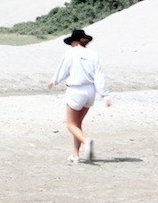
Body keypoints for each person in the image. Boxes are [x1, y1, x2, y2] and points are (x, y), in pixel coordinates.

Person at [45, 28, 112, 163]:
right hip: (90, 92)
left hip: (76, 91)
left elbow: (62, 70)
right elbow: (99, 76)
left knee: (70, 124)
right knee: (78, 124)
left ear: (73, 41)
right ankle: (75, 155)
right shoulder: (93, 54)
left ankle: (86, 142)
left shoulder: (70, 53)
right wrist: (105, 95)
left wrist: (53, 81)